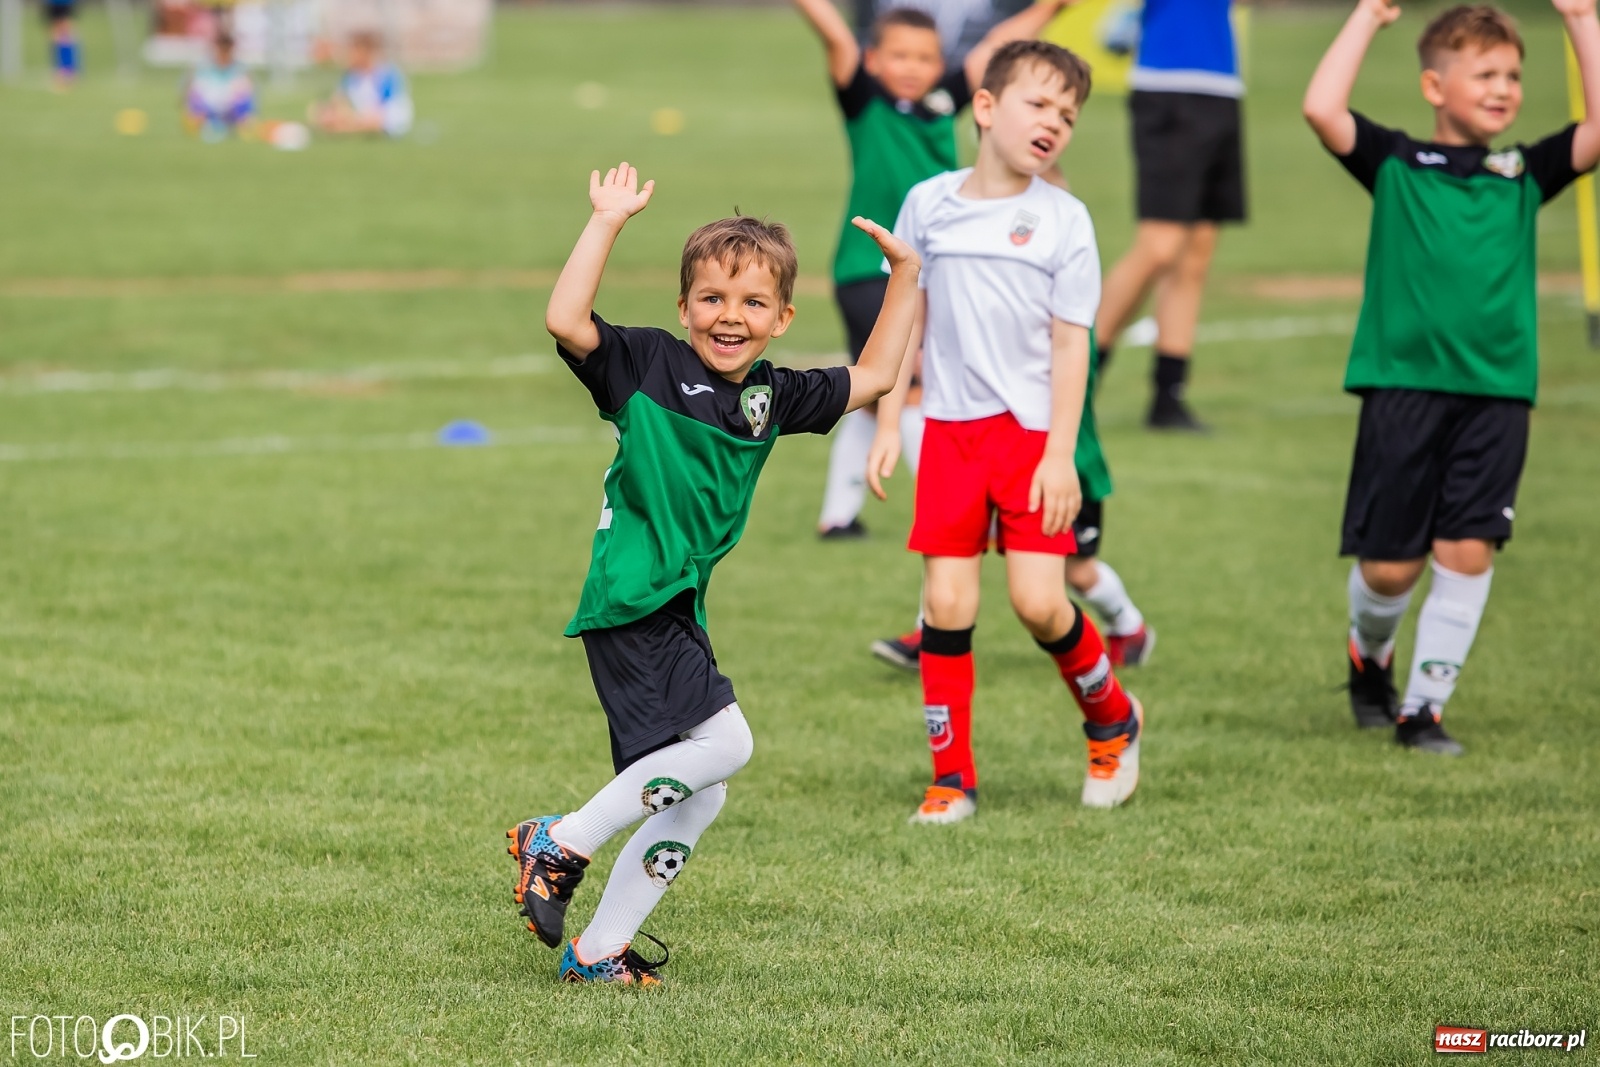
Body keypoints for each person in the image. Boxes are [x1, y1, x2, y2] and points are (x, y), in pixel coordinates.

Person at [506, 163, 920, 984]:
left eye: (753, 303)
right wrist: (607, 221)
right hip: (634, 594)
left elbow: (874, 379)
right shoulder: (645, 366)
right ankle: (562, 840)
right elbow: (564, 316)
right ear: (685, 306)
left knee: (704, 789)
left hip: (672, 603)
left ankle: (597, 951)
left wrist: (906, 277)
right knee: (728, 743)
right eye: (712, 299)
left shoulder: (773, 394)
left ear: (781, 318)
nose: (731, 317)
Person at [1303, 0, 1599, 754]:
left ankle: (1423, 712)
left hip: (1498, 395)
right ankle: (1369, 655)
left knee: (1467, 550)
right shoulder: (1398, 163)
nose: (1504, 88)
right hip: (1403, 389)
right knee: (1390, 570)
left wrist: (1583, 20)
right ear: (1435, 87)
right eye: (1485, 73)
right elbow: (1320, 107)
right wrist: (1368, 17)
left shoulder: (1523, 172)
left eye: (1513, 76)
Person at [868, 40, 1145, 824]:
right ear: (985, 108)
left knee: (1037, 604)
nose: (1054, 122)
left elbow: (1070, 345)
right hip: (950, 433)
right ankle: (951, 779)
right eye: (1039, 103)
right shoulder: (928, 203)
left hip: (1031, 440)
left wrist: (1061, 456)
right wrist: (891, 417)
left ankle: (1112, 719)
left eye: (1069, 114)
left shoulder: (1065, 220)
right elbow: (906, 314)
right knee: (945, 606)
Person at [793, 0, 1073, 538]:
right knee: (912, 387)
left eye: (924, 57)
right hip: (869, 271)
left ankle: (838, 517)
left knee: (876, 392)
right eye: (898, 55)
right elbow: (835, 37)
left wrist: (1050, 9)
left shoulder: (945, 100)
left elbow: (995, 46)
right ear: (873, 60)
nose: (912, 66)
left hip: (932, 270)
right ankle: (961, 513)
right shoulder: (865, 101)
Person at [870, 341, 1155, 673]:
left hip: (1062, 464)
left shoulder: (1064, 329)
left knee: (1075, 572)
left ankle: (1128, 627)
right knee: (951, 544)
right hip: (993, 452)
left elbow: (1065, 378)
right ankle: (930, 632)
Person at [1094, 0, 1245, 432]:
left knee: (1195, 252)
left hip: (1222, 84)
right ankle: (1079, 377)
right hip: (1169, 84)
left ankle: (1168, 396)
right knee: (1159, 248)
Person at [308, 30, 413, 138]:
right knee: (321, 112)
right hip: (360, 116)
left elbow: (383, 107)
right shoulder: (350, 76)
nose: (349, 56)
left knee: (370, 120)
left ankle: (343, 130)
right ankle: (345, 129)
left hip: (387, 118)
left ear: (365, 52)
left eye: (353, 51)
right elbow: (338, 100)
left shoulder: (387, 73)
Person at [182, 31, 256, 141]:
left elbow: (249, 90)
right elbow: (191, 89)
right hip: (209, 106)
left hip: (230, 107)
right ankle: (200, 123)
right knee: (195, 93)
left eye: (227, 49)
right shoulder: (204, 66)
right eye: (222, 48)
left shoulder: (239, 68)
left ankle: (241, 125)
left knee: (244, 91)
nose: (224, 52)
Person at [45, 0, 80, 90]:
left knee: (65, 31)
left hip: (64, 3)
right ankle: (62, 69)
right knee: (55, 34)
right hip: (53, 3)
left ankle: (68, 70)